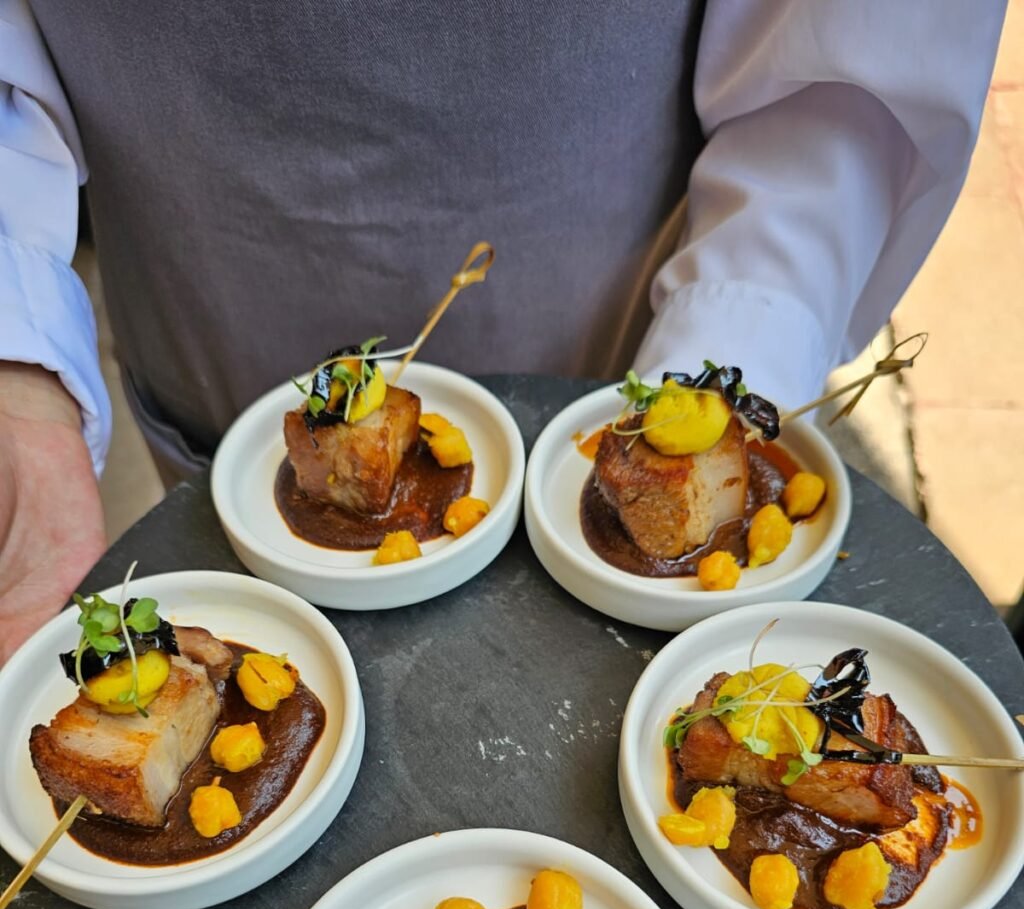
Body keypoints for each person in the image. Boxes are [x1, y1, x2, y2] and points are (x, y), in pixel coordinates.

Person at [0, 0, 1006, 658]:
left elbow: (842, 71)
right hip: (200, 286)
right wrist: (17, 372)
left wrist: (740, 337)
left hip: (598, 282)